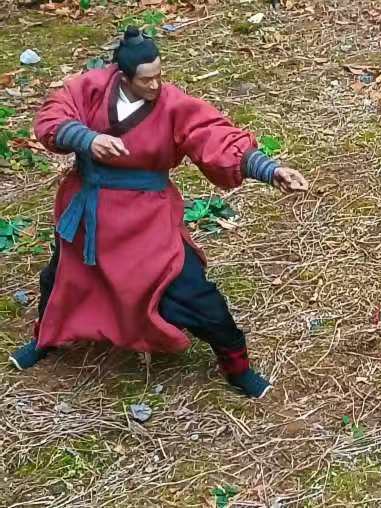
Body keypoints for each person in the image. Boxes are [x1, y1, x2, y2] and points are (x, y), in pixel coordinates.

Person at [8, 26, 308, 399]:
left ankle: (237, 368)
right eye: (146, 80)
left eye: (159, 76)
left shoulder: (173, 104)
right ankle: (46, 338)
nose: (155, 85)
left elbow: (212, 136)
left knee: (194, 293)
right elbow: (52, 117)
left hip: (146, 218)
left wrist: (269, 170)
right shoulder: (91, 88)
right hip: (90, 214)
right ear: (123, 76)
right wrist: (87, 138)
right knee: (60, 279)